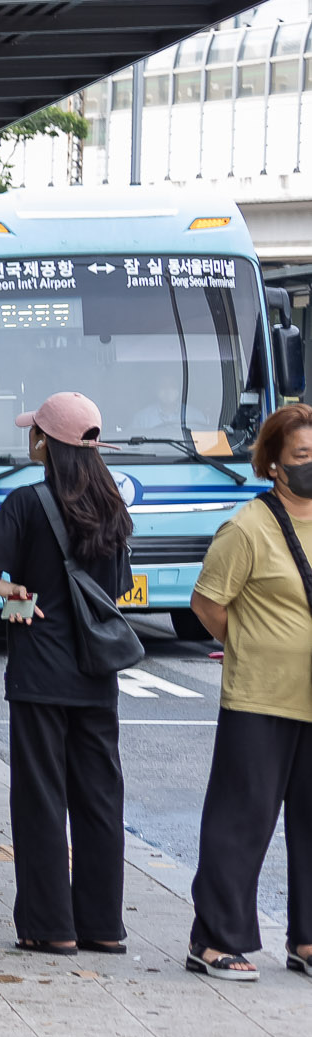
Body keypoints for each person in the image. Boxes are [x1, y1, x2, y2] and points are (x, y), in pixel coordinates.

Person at [0, 391, 135, 959]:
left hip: (39, 670)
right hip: (96, 673)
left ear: (46, 444)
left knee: (41, 797)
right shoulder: (113, 505)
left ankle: (49, 926)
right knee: (100, 799)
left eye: (34, 432)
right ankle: (103, 925)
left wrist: (13, 590)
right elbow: (116, 586)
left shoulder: (27, 502)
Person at [185, 403, 312, 981]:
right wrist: (256, 643)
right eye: (302, 457)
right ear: (276, 465)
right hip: (260, 698)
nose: (311, 465)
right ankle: (215, 940)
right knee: (242, 821)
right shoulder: (248, 527)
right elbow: (207, 603)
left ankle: (306, 941)